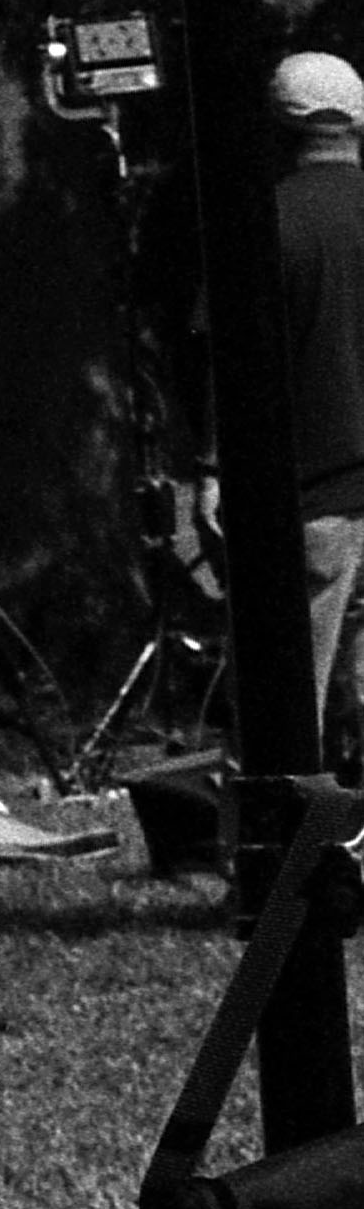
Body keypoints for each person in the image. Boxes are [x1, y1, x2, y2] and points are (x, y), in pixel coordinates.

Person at [277, 56, 364, 753]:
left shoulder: (269, 220)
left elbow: (228, 359)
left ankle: (300, 833)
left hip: (313, 484)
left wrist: (209, 467)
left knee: (295, 687)